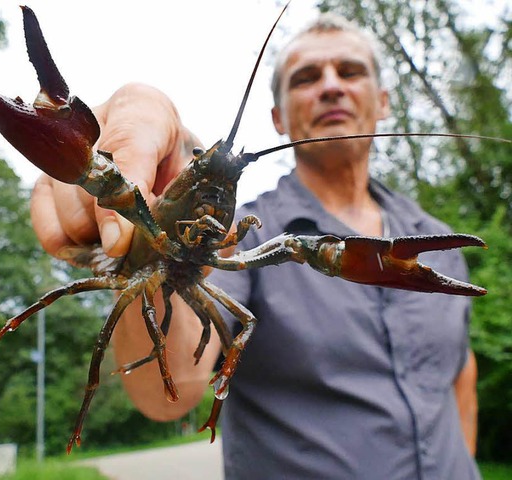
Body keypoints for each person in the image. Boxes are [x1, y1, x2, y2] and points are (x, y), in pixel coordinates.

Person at [30, 13, 479, 480]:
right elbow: (171, 394)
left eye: (349, 71)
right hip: (156, 260)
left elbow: (458, 381)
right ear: (278, 118)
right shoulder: (261, 242)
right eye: (305, 78)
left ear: (383, 102)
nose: (330, 86)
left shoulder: (433, 245)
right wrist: (127, 198)